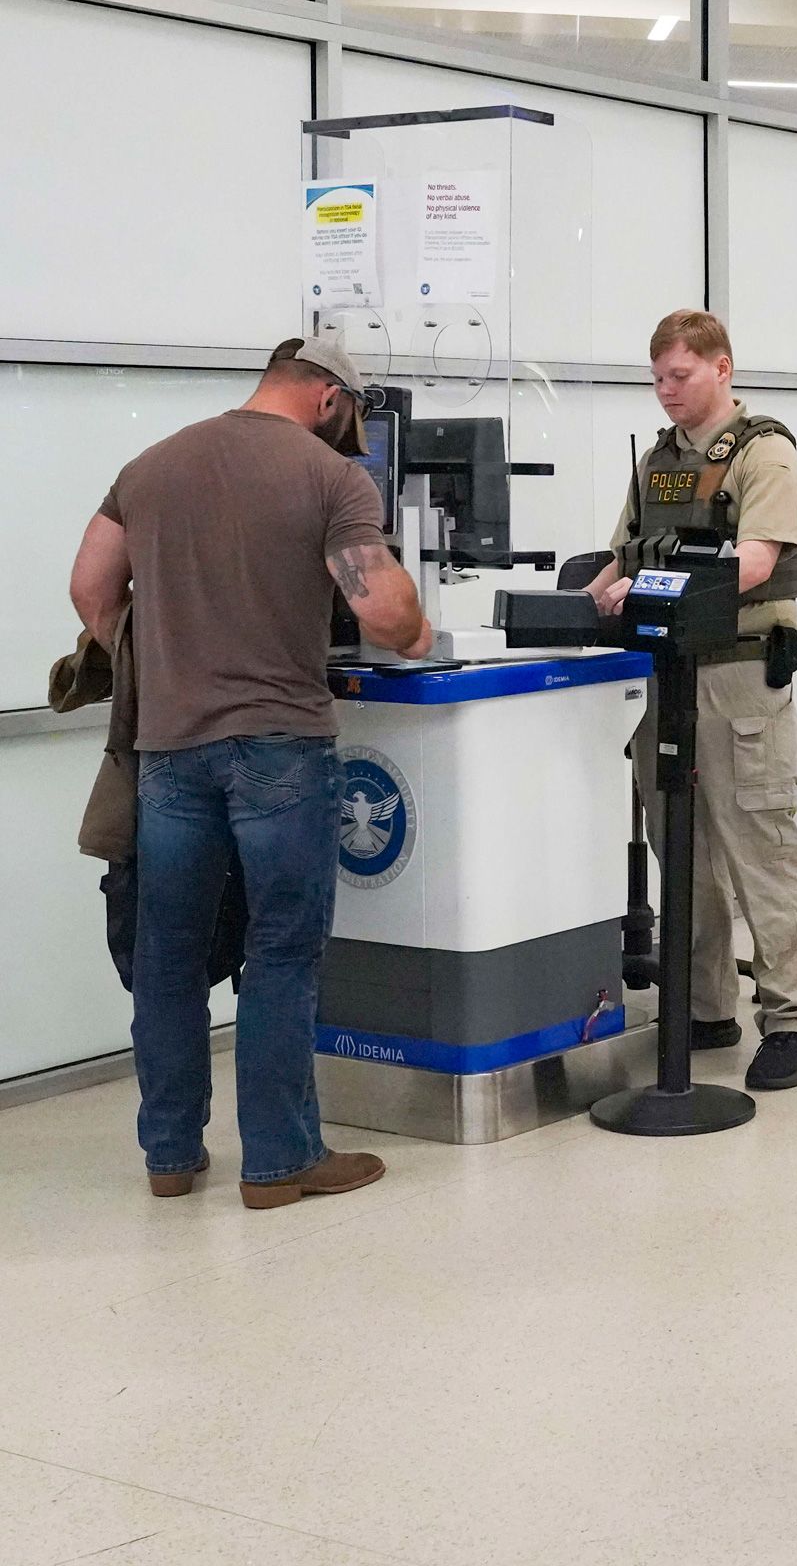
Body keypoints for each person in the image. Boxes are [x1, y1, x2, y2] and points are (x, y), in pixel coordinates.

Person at [67, 337, 432, 1208]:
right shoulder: (330, 477)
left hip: (170, 752)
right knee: (279, 953)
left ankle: (170, 1156)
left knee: (169, 956)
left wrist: (164, 652)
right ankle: (279, 1162)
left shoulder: (150, 466)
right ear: (330, 399)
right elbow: (384, 611)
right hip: (279, 745)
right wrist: (416, 633)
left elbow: (89, 586)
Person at [580, 310, 797, 1091]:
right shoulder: (658, 461)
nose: (664, 393)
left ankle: (791, 1023)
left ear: (721, 367)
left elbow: (752, 561)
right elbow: (619, 556)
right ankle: (705, 1004)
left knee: (760, 849)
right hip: (665, 678)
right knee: (680, 851)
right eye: (655, 379)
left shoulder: (766, 453)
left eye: (677, 377)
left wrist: (645, 585)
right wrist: (573, 612)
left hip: (739, 677)